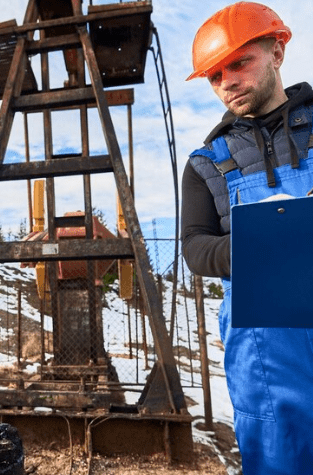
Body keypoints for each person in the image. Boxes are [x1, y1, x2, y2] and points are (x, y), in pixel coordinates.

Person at [182, 2, 313, 474]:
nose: (228, 82)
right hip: (267, 357)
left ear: (276, 52)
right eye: (216, 75)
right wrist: (267, 242)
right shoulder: (207, 164)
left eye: (240, 63)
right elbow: (195, 248)